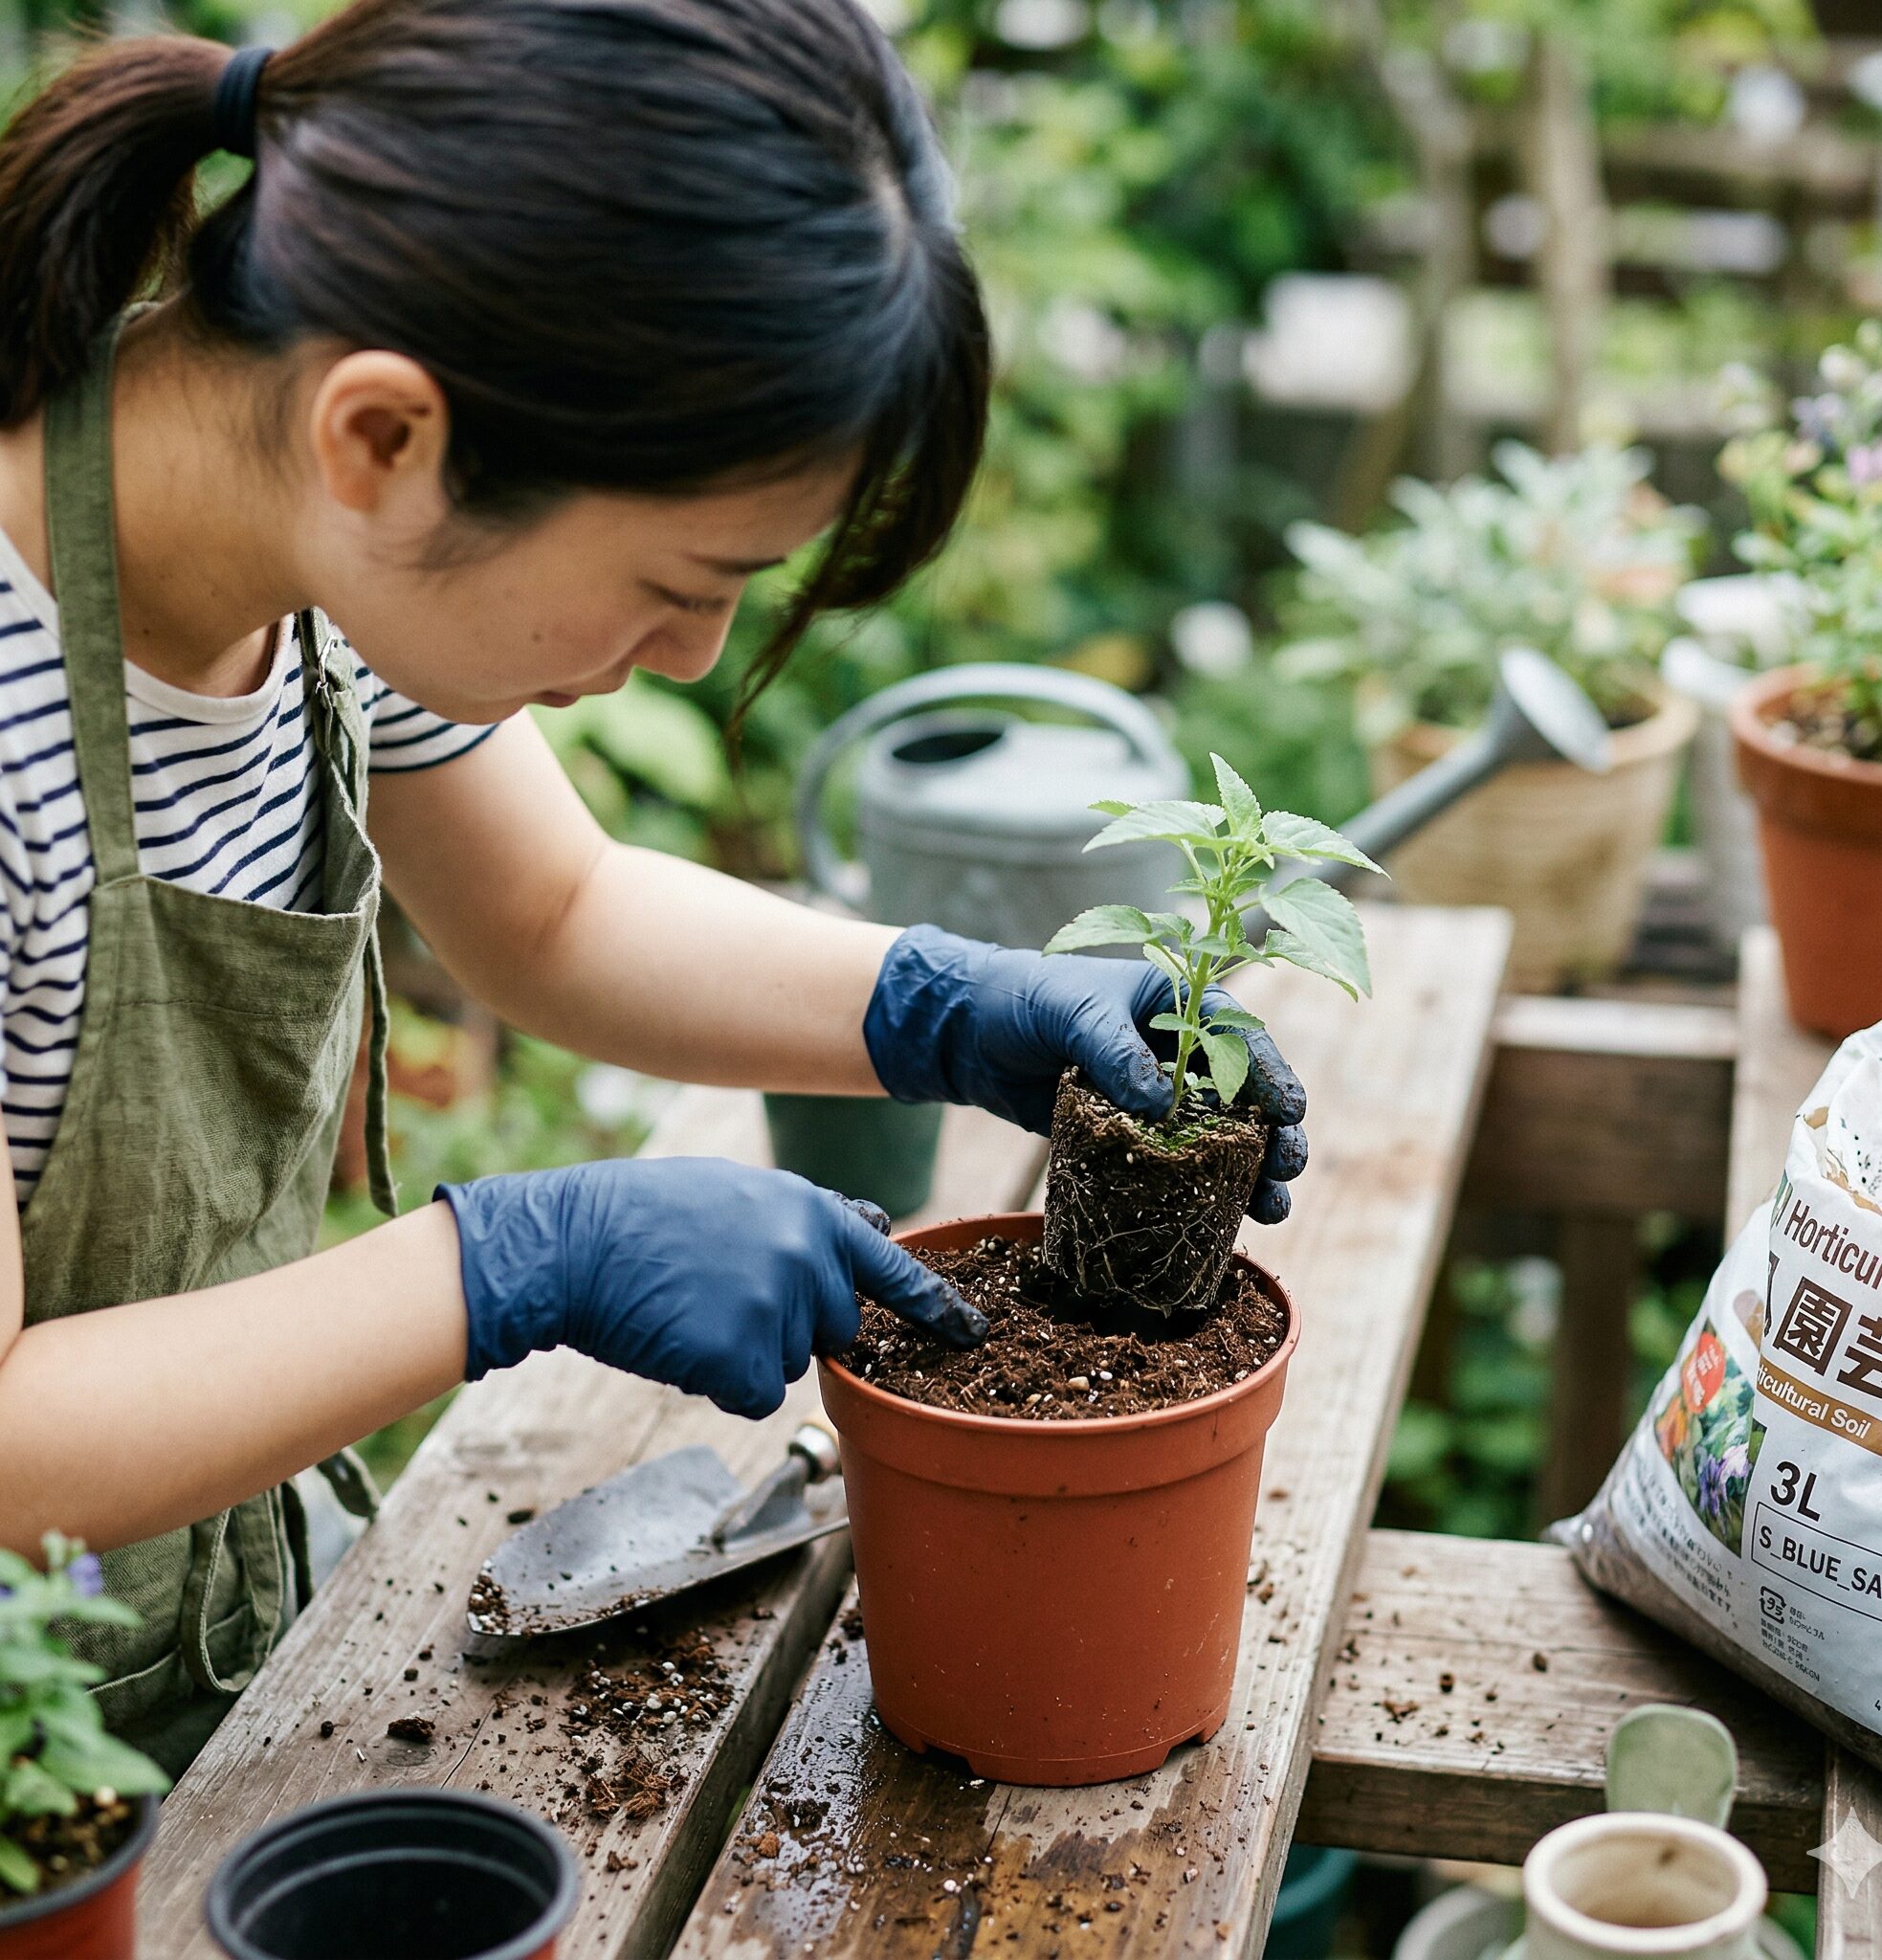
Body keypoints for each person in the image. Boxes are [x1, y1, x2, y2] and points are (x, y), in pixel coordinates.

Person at [0, 0, 1308, 1771]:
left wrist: (943, 1003)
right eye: (683, 579)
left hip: (202, 1629)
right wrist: (517, 1259)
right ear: (384, 440)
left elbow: (557, 917)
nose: (694, 657)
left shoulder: (294, 544)